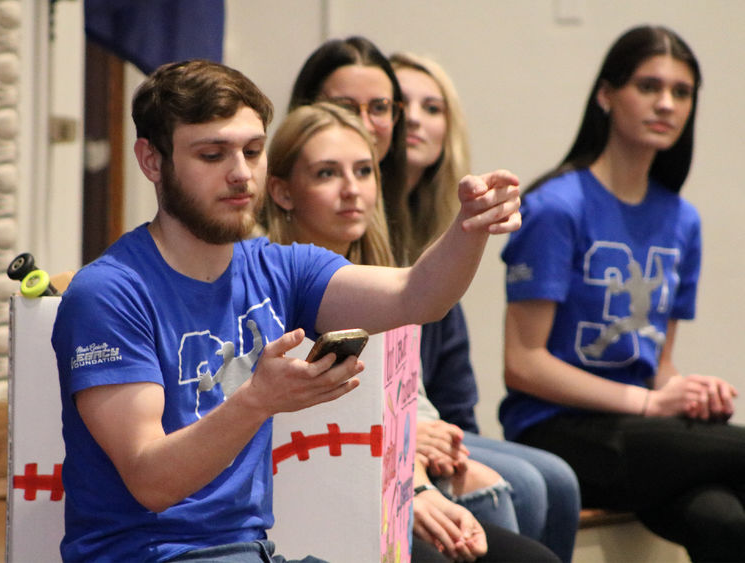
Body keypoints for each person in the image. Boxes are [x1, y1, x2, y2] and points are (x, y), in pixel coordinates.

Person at [51, 59, 522, 563]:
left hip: (248, 550)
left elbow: (417, 296)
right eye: (212, 154)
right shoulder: (108, 292)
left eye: (253, 152)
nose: (239, 173)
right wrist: (257, 400)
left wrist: (469, 230)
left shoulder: (279, 267)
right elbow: (150, 479)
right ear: (151, 160)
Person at [264, 101, 558, 563]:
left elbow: (405, 400)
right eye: (326, 174)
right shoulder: (266, 286)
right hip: (311, 497)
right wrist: (407, 483)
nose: (351, 190)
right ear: (282, 192)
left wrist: (415, 478)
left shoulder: (381, 276)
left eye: (364, 171)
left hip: (390, 479)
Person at [499, 25, 745, 563]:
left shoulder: (683, 220)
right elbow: (522, 364)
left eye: (682, 93)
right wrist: (652, 402)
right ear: (607, 95)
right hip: (557, 432)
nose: (666, 103)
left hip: (643, 433)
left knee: (725, 523)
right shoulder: (556, 207)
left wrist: (687, 392)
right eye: (648, 86)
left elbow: (658, 363)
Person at [389, 51, 581, 562]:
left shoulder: (439, 226)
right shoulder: (353, 229)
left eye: (432, 107)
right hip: (390, 427)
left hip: (432, 421)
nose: (414, 118)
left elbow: (453, 386)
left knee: (557, 480)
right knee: (521, 485)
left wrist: (449, 438)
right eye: (399, 104)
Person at [288, 35, 412, 266]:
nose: (364, 125)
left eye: (379, 107)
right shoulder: (256, 247)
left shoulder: (407, 216)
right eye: (345, 108)